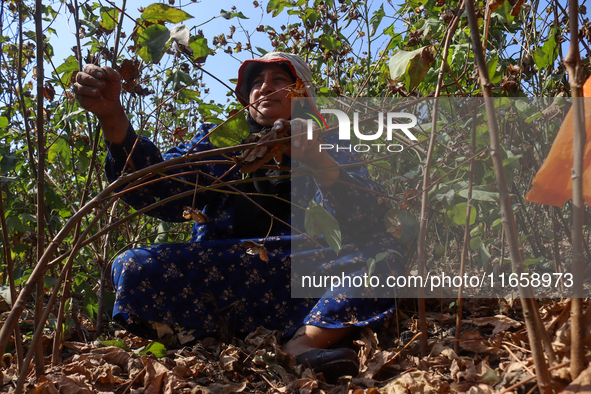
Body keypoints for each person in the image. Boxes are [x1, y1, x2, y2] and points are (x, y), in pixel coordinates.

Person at [73, 52, 407, 382]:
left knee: (385, 256)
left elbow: (366, 219)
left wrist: (319, 162)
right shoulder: (218, 143)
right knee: (132, 265)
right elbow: (160, 195)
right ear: (246, 99)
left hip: (307, 277)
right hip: (226, 276)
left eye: (279, 80)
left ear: (302, 95)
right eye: (256, 83)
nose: (265, 88)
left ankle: (304, 344)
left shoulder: (331, 142)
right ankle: (211, 339)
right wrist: (113, 118)